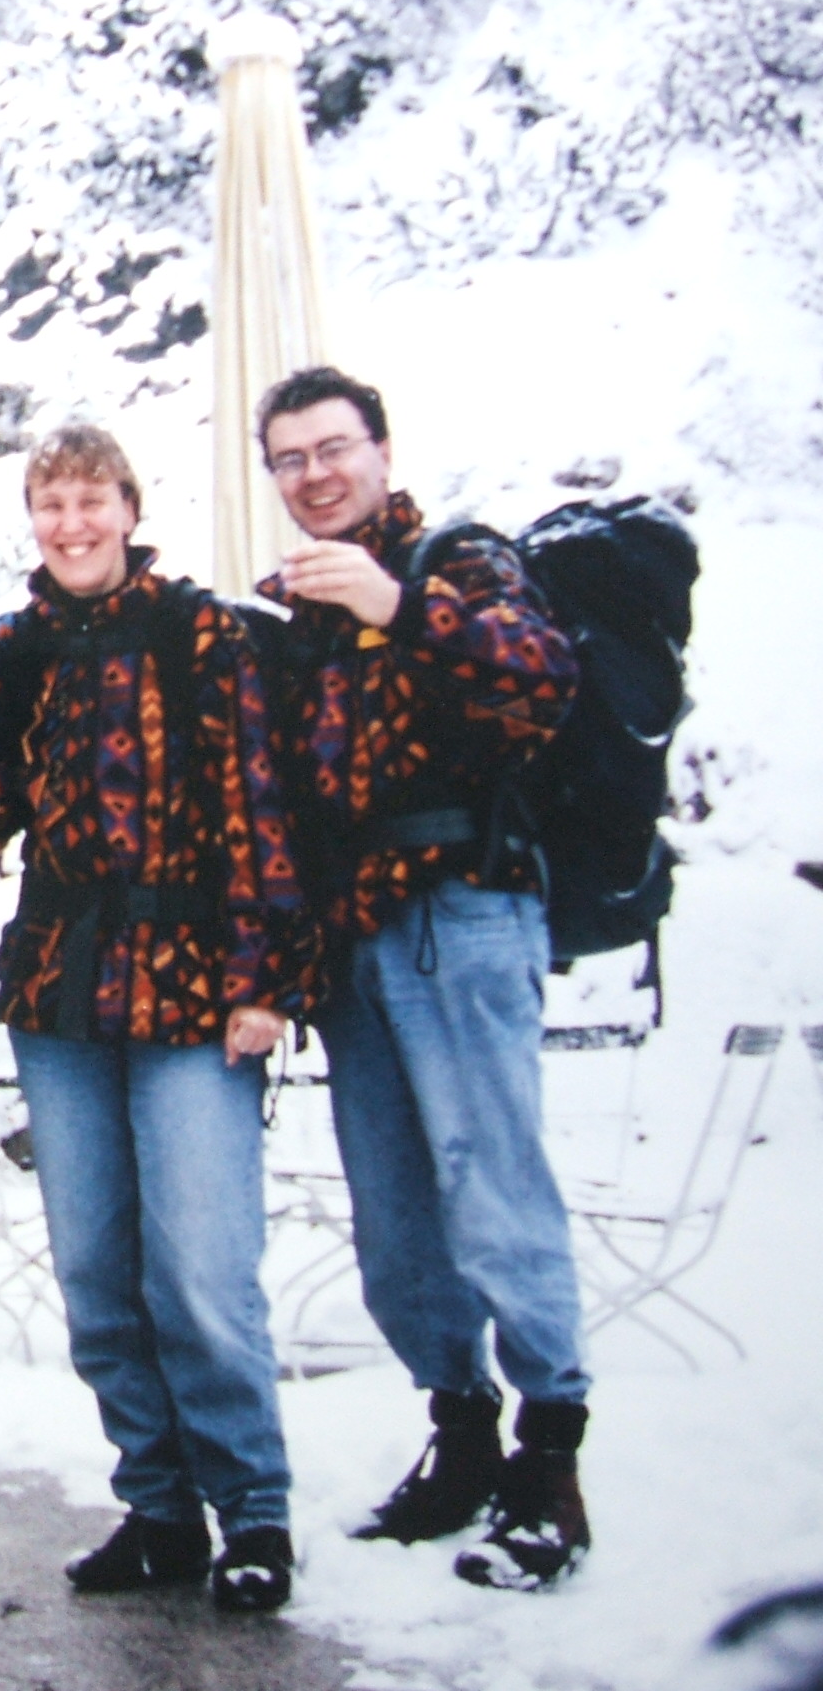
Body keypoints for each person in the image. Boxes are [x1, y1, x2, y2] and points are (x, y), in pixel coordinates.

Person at [0, 424, 316, 1613]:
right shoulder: (16, 648)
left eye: (91, 502)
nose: (71, 526)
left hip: (192, 983)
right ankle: (162, 1508)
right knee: (97, 1270)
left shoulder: (201, 631)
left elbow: (256, 804)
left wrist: (264, 979)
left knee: (202, 1269)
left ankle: (256, 1513)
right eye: (51, 507)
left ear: (129, 507)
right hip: (64, 987)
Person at [253, 366, 589, 1591]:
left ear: (381, 450)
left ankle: (550, 1461)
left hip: (465, 910)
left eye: (332, 449)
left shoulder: (461, 562)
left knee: (491, 1184)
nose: (315, 476)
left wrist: (404, 607)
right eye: (288, 460)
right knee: (395, 1212)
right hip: (352, 938)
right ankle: (459, 1435)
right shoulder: (295, 610)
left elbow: (544, 682)